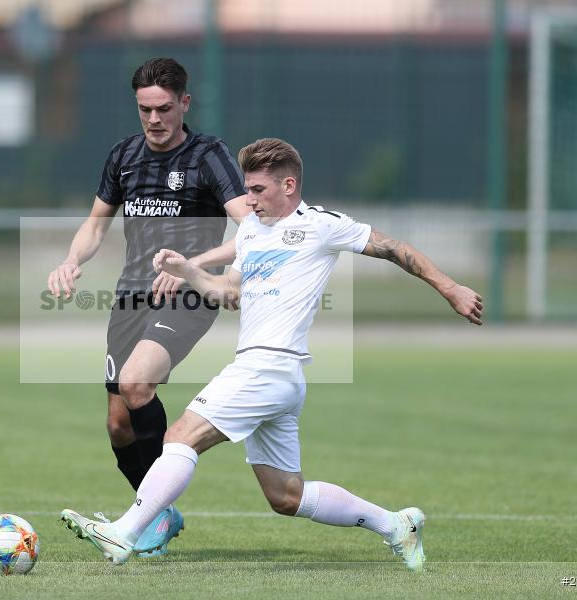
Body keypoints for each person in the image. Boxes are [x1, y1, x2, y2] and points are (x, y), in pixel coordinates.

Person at [60, 138, 483, 571]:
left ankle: (125, 533)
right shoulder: (250, 231)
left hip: (270, 365)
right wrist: (187, 270)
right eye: (247, 189)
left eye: (258, 190)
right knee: (286, 496)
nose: (249, 200)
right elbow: (230, 294)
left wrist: (451, 289)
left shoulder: (321, 224)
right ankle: (396, 524)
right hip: (274, 373)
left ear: (288, 184)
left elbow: (396, 249)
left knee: (179, 437)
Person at [46, 58, 251, 556]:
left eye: (163, 108)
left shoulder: (209, 155)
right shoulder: (124, 156)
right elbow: (96, 225)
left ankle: (142, 521)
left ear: (184, 103)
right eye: (145, 110)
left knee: (138, 383)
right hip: (131, 296)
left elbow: (252, 227)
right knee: (118, 424)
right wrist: (72, 260)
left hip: (188, 293)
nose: (154, 119)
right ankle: (158, 512)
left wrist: (192, 266)